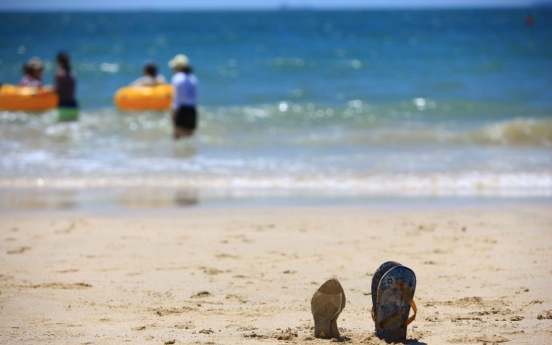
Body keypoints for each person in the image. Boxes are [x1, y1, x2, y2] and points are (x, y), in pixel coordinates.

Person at [168, 54, 198, 139]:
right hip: (192, 109)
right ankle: (189, 152)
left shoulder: (177, 77)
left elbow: (177, 97)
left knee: (177, 136)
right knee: (189, 136)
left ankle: (177, 152)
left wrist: (174, 111)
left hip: (182, 109)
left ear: (178, 67)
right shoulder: (193, 78)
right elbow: (195, 97)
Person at [54, 52, 78, 121]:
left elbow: (57, 89)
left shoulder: (59, 73)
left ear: (59, 62)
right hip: (73, 106)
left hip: (63, 106)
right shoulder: (72, 73)